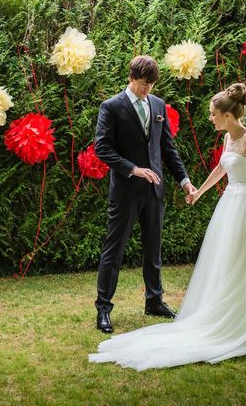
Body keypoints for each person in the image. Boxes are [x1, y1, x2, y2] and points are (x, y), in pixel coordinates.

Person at [89, 83, 246, 371]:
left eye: (212, 114)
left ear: (229, 116)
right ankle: (226, 313)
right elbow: (221, 169)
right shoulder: (228, 139)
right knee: (226, 260)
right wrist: (197, 192)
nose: (210, 118)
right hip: (230, 204)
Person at [93, 55, 195, 334]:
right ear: (131, 78)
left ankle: (154, 301)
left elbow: (167, 149)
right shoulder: (111, 107)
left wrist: (184, 181)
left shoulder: (158, 105)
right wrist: (133, 169)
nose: (147, 89)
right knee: (114, 251)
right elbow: (101, 148)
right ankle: (103, 308)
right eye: (143, 84)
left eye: (151, 85)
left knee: (154, 249)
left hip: (155, 191)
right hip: (126, 191)